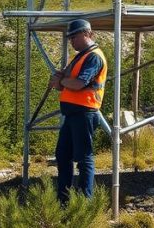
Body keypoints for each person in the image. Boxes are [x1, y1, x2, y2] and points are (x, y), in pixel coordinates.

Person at [50, 19, 107, 203]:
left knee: (84, 159)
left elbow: (78, 83)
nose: (71, 41)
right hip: (73, 114)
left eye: (74, 36)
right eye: (70, 37)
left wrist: (62, 81)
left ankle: (84, 203)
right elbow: (65, 85)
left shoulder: (94, 57)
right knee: (63, 155)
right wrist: (61, 81)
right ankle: (64, 201)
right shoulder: (79, 56)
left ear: (86, 34)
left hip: (85, 113)